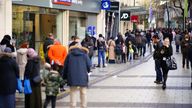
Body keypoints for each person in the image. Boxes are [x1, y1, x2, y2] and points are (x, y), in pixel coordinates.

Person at [63, 42, 91, 108]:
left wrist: (64, 76)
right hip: (82, 76)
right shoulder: (84, 55)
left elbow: (65, 66)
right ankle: (83, 106)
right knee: (83, 92)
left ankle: (73, 106)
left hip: (72, 76)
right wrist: (88, 71)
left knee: (73, 92)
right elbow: (89, 65)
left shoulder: (69, 55)